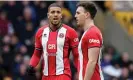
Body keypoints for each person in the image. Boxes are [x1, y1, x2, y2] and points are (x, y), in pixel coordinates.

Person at [27, 3, 79, 80]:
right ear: (48, 15)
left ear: (61, 15)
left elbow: (76, 55)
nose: (55, 14)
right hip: (46, 76)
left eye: (58, 12)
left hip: (63, 75)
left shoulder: (70, 32)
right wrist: (31, 65)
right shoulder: (40, 32)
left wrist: (81, 70)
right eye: (53, 12)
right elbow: (37, 54)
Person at [75, 2, 104, 80]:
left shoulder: (92, 33)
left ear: (87, 15)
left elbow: (92, 61)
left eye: (78, 13)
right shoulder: (88, 32)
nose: (75, 16)